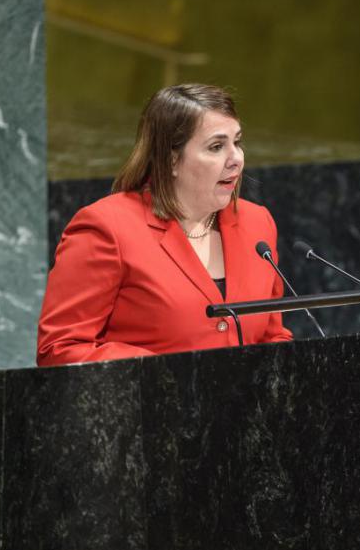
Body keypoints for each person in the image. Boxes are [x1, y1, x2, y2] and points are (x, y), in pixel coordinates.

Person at [36, 84, 293, 365]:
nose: (237, 160)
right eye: (216, 147)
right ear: (171, 159)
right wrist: (162, 373)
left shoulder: (257, 224)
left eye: (237, 142)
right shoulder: (107, 228)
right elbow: (59, 349)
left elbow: (272, 336)